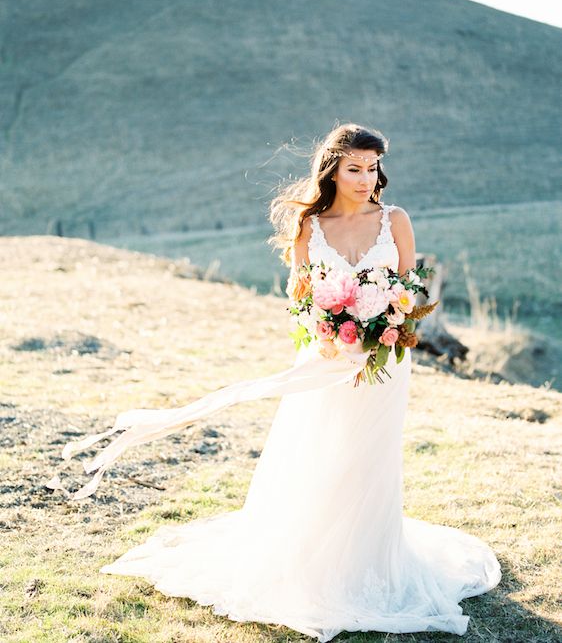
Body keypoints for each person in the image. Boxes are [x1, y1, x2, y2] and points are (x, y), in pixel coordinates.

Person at [46, 123, 501, 641]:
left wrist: (389, 328)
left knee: (369, 458)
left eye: (372, 167)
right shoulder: (312, 225)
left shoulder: (395, 219)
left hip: (384, 363)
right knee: (319, 451)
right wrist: (326, 332)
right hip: (327, 359)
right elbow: (300, 297)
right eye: (354, 168)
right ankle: (310, 561)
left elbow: (407, 291)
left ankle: (369, 562)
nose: (365, 178)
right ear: (332, 169)